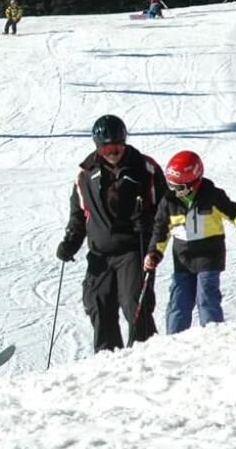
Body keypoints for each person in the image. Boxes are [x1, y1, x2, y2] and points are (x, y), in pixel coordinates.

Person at [56, 115, 168, 352]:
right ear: (98, 147)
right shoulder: (85, 174)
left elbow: (166, 208)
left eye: (118, 146)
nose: (113, 152)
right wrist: (70, 243)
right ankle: (106, 360)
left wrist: (149, 225)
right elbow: (79, 215)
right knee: (98, 304)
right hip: (100, 252)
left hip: (133, 249)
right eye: (107, 147)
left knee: (134, 304)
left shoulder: (145, 168)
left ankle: (147, 355)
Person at [145, 151, 236, 334]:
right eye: (171, 185)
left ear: (194, 183)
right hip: (183, 259)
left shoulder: (211, 195)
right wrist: (154, 253)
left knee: (207, 297)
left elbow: (232, 211)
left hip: (209, 256)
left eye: (179, 187)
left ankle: (213, 336)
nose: (174, 191)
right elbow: (160, 230)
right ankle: (174, 341)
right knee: (179, 300)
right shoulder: (169, 201)